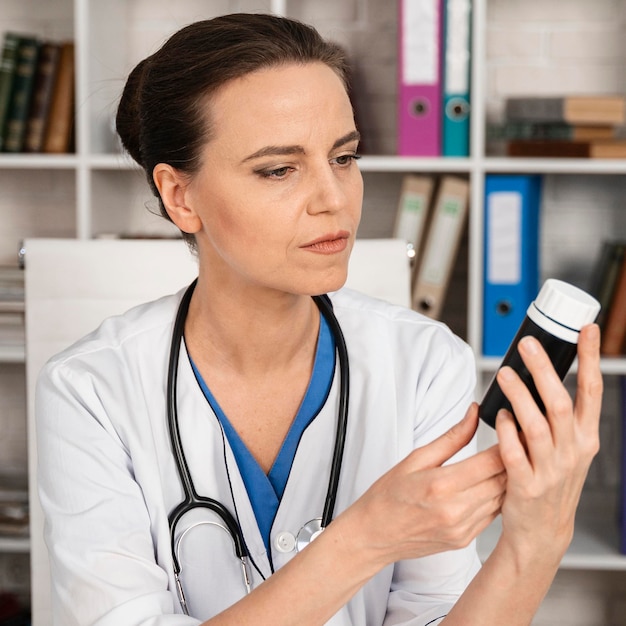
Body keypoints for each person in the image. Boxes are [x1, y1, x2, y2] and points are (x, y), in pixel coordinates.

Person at [35, 13, 603, 626]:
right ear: (180, 196)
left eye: (344, 157)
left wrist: (538, 540)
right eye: (279, 169)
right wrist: (367, 537)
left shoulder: (423, 364)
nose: (334, 198)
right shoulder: (90, 390)